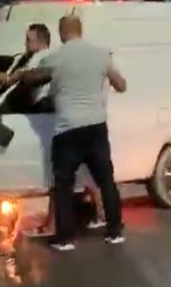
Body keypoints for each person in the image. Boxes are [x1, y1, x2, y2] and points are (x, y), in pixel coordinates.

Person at [19, 15, 127, 251]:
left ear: (61, 33)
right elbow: (121, 85)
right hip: (96, 127)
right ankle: (115, 231)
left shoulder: (55, 58)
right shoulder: (100, 55)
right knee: (106, 181)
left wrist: (22, 76)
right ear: (81, 30)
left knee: (64, 185)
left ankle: (66, 238)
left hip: (67, 130)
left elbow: (32, 81)